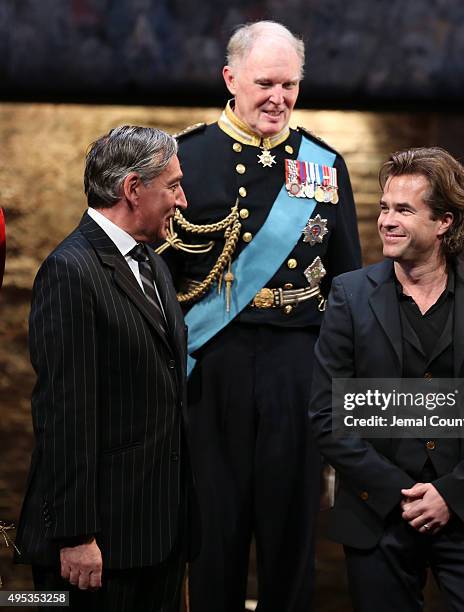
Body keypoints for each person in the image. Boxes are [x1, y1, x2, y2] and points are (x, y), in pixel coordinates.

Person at [158, 20, 361, 612]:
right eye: (265, 83)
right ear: (230, 79)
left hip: (298, 363)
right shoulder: (183, 159)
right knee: (214, 532)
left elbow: (347, 285)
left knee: (290, 535)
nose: (279, 98)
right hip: (213, 365)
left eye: (290, 85)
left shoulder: (324, 166)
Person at [310, 147, 464, 611]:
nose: (386, 220)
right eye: (385, 207)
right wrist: (397, 494)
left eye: (404, 210)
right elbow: (328, 414)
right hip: (377, 514)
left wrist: (452, 493)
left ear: (444, 222)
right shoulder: (349, 295)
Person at [15, 125, 198, 612]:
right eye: (173, 185)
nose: (182, 200)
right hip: (97, 546)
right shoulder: (70, 271)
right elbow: (65, 412)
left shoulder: (153, 263)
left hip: (157, 536)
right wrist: (76, 535)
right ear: (133, 190)